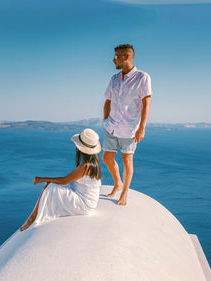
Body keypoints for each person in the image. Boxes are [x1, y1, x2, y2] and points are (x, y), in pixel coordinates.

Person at [19, 128, 102, 232]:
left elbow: (65, 180)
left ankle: (32, 218)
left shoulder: (86, 166)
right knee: (51, 186)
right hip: (86, 200)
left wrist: (41, 179)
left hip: (84, 205)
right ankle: (33, 217)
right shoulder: (93, 163)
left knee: (51, 188)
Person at [103, 44, 152, 206]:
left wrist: (142, 127)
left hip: (129, 129)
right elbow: (107, 101)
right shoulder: (114, 79)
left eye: (117, 56)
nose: (113, 59)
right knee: (106, 158)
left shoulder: (142, 77)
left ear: (126, 57)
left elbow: (146, 103)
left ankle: (124, 194)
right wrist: (105, 120)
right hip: (111, 126)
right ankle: (118, 183)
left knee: (127, 161)